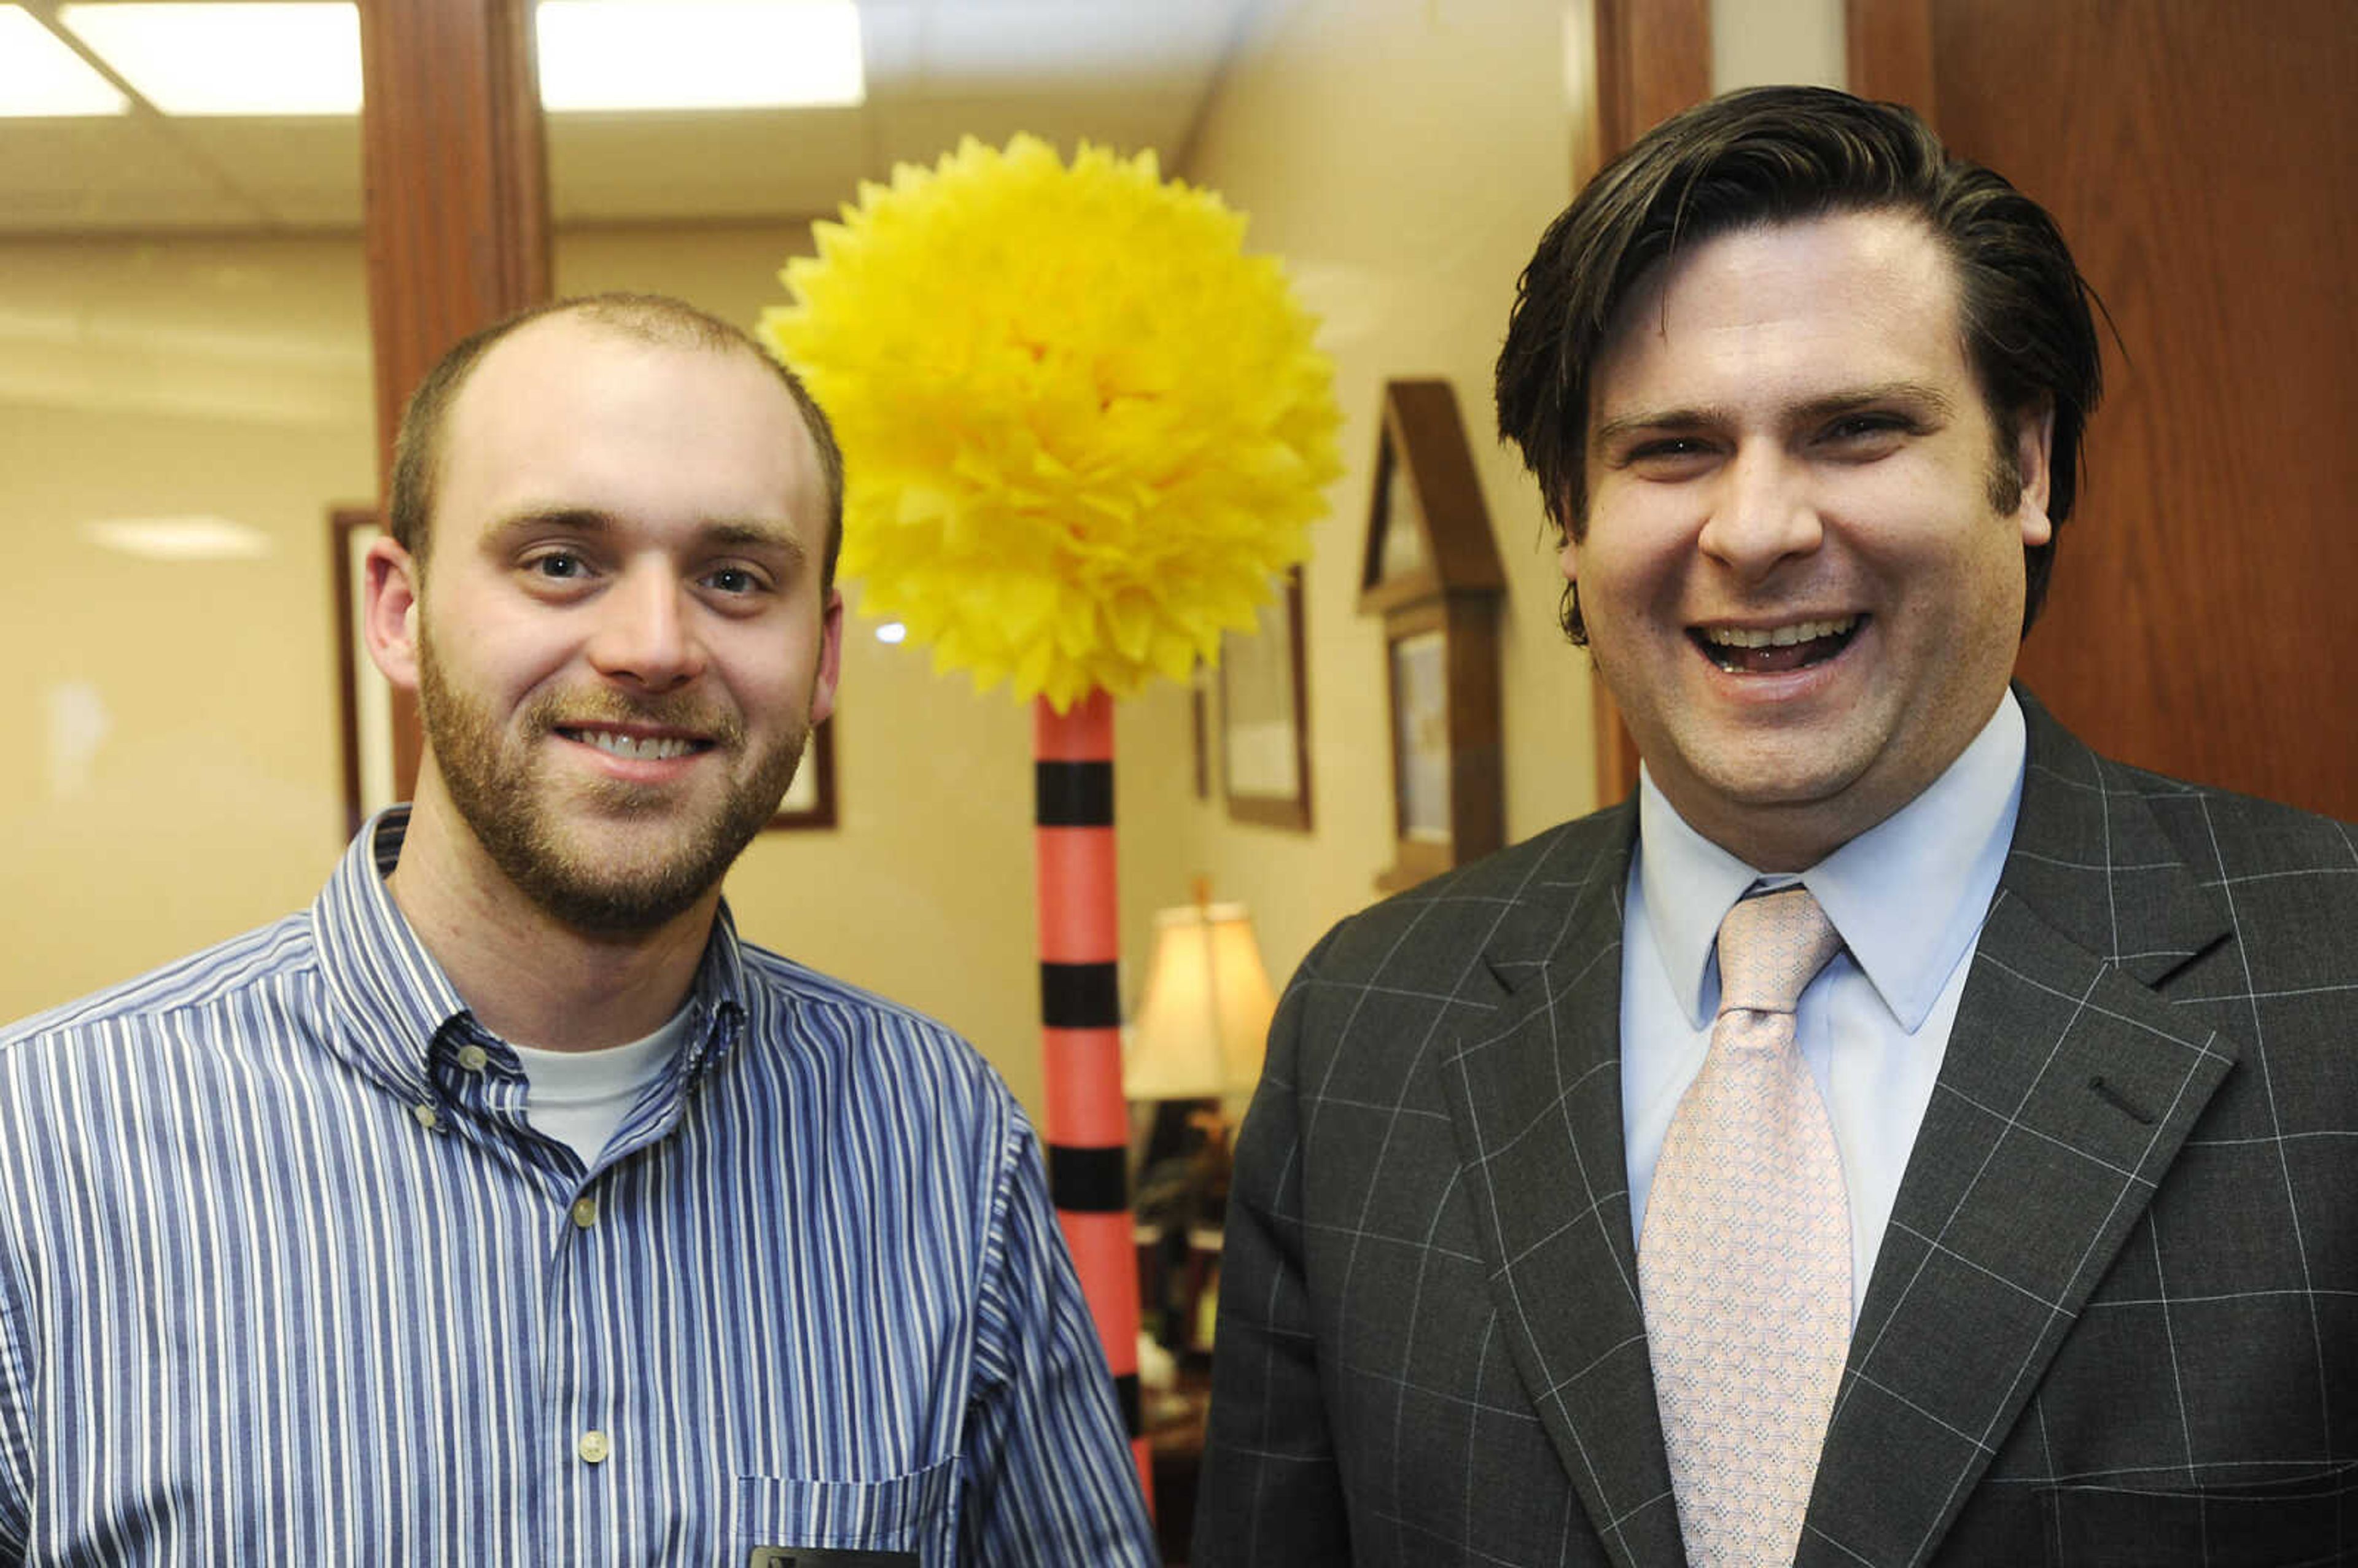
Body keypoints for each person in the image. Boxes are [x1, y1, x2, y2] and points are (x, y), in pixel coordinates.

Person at [1194, 86, 2356, 1567]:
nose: (1754, 529)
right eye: (1670, 449)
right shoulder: (1363, 1032)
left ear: (2030, 466)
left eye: (1856, 428)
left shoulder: (2334, 990)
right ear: (1571, 513)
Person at [0, 293, 1157, 1566]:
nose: (654, 645)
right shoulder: (45, 1156)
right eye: (561, 560)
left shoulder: (938, 1139)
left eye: (733, 577)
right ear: (398, 609)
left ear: (821, 655)